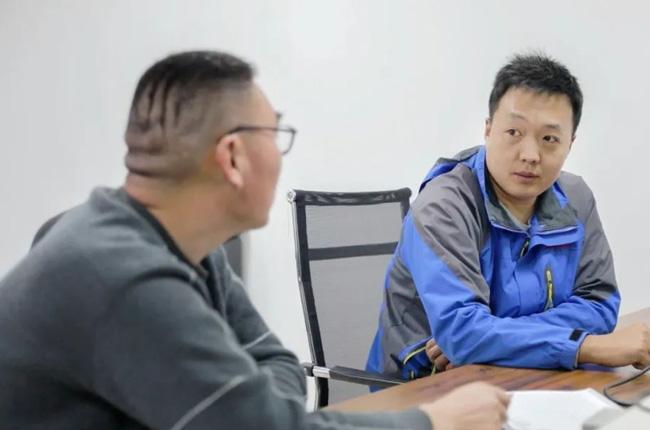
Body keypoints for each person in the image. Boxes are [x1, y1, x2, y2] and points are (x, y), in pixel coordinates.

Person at [0, 51, 510, 430]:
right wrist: (435, 422)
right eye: (275, 134)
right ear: (233, 157)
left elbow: (277, 364)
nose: (280, 155)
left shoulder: (183, 246)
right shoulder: (120, 277)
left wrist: (259, 411)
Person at [367, 53, 650, 382]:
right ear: (488, 130)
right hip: (425, 386)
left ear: (570, 144)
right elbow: (463, 333)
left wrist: (492, 341)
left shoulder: (576, 198)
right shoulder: (443, 206)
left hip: (526, 374)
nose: (530, 155)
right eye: (514, 131)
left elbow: (599, 305)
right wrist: (582, 346)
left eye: (549, 139)